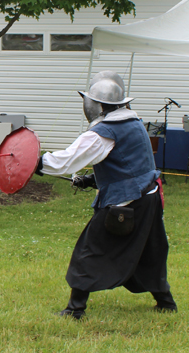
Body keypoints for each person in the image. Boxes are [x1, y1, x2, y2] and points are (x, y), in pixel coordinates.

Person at [35, 71, 177, 319]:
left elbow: (69, 160)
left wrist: (37, 163)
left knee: (90, 249)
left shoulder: (106, 131)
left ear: (98, 104)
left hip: (130, 200)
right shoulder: (134, 123)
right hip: (149, 196)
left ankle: (74, 309)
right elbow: (129, 164)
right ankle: (166, 302)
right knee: (150, 251)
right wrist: (92, 180)